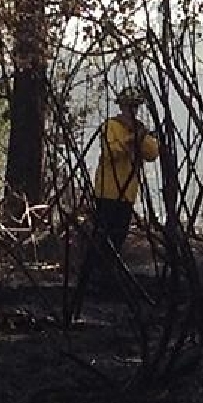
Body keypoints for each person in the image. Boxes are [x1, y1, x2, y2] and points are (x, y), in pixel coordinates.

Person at [74, 86, 160, 314]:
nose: (132, 110)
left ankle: (106, 281)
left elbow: (152, 153)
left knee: (117, 239)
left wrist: (142, 137)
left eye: (135, 106)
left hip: (127, 194)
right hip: (107, 191)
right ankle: (90, 281)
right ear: (121, 105)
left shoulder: (140, 129)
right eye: (129, 105)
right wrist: (133, 139)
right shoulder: (111, 126)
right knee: (101, 238)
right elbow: (112, 152)